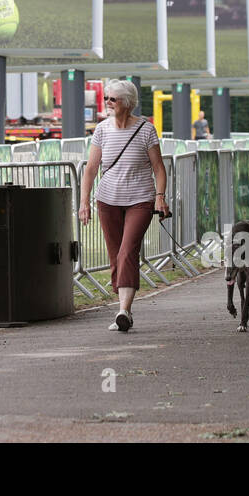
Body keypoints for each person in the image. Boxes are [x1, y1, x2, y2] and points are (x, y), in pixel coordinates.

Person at [79, 79, 167, 332]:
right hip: (107, 200)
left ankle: (124, 311)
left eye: (112, 99)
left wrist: (160, 195)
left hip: (140, 199)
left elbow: (158, 168)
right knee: (116, 257)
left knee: (128, 251)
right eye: (106, 98)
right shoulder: (102, 130)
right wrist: (84, 202)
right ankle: (123, 307)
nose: (107, 102)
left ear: (127, 103)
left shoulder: (145, 129)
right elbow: (91, 169)